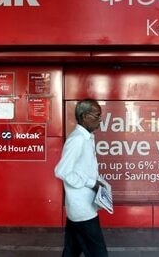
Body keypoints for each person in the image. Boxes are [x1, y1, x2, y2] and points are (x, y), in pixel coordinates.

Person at [54, 98, 108, 257]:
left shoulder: (86, 137)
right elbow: (61, 171)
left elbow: (82, 168)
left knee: (72, 250)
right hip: (82, 209)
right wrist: (92, 183)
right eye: (97, 115)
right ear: (84, 116)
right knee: (98, 252)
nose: (100, 119)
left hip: (80, 207)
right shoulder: (77, 139)